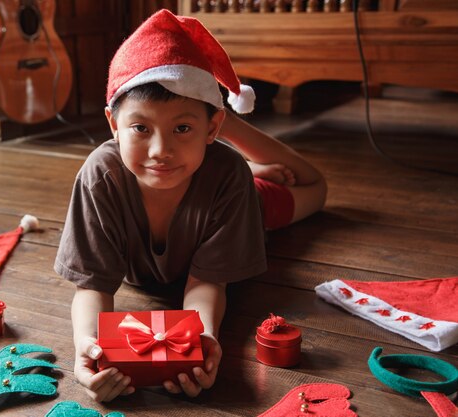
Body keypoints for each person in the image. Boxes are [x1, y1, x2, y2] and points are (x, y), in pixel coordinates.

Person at [54, 9, 327, 402]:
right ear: (114, 125)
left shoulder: (229, 179)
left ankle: (238, 151)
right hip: (210, 156)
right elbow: (92, 284)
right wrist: (87, 346)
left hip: (239, 200)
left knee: (315, 189)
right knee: (195, 154)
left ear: (211, 127)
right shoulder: (102, 176)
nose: (160, 151)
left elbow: (207, 282)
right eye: (140, 128)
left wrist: (205, 341)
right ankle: (223, 146)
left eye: (182, 128)